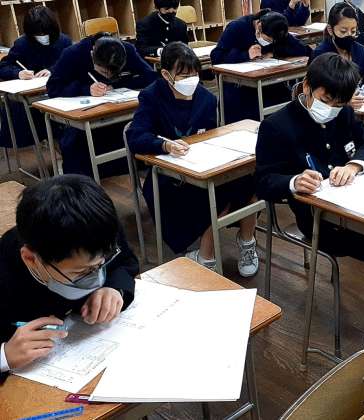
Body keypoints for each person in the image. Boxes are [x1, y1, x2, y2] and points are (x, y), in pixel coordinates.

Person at [256, 52, 364, 352]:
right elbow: (263, 180)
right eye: (326, 100)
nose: (331, 109)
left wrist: (355, 165)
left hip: (363, 207)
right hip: (322, 223)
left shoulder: (342, 114)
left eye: (339, 103)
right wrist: (293, 182)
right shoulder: (277, 126)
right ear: (307, 86)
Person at [127, 42, 259, 276]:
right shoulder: (151, 96)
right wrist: (164, 145)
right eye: (184, 75)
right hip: (168, 175)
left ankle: (246, 241)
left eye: (194, 74)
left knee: (250, 179)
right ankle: (207, 255)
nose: (191, 80)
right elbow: (135, 135)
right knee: (213, 193)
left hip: (204, 165)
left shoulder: (206, 98)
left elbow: (211, 133)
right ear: (166, 74)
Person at [0, 174, 139, 376]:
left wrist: (114, 287)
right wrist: (4, 356)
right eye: (81, 272)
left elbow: (125, 262)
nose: (96, 277)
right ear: (31, 259)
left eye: (100, 265)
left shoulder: (100, 231)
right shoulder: (5, 272)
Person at [47, 33, 157, 178]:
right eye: (104, 72)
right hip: (86, 115)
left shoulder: (126, 49)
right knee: (76, 147)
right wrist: (86, 89)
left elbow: (150, 77)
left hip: (117, 107)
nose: (108, 77)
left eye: (114, 73)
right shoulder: (73, 54)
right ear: (92, 54)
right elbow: (53, 87)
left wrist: (118, 84)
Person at [313, 2, 364, 151]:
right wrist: (342, 101)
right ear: (331, 30)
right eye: (343, 31)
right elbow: (316, 91)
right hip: (331, 118)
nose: (349, 36)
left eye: (353, 31)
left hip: (358, 114)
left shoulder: (359, 51)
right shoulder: (321, 54)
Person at [211, 9, 312, 123]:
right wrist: (246, 54)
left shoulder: (276, 27)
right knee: (249, 106)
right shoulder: (237, 27)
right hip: (239, 85)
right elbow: (216, 57)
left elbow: (303, 50)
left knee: (286, 100)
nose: (269, 43)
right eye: (267, 40)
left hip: (268, 80)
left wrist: (274, 52)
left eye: (272, 41)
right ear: (259, 27)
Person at [0, 6, 71, 149]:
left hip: (57, 93)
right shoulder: (22, 44)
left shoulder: (64, 41)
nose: (43, 36)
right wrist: (18, 73)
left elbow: (71, 64)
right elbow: (3, 67)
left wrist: (52, 70)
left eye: (46, 33)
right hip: (31, 97)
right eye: (38, 34)